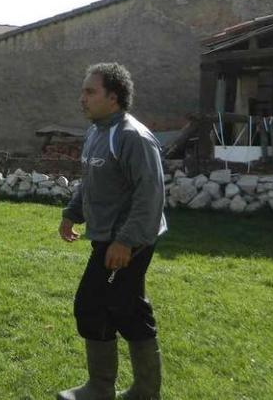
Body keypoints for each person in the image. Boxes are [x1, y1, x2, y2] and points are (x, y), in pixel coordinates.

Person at [57, 63, 167, 400]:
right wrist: (72, 214)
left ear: (114, 98)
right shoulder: (96, 132)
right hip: (107, 238)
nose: (83, 98)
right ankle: (140, 392)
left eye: (90, 92)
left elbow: (150, 196)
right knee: (127, 307)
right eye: (83, 91)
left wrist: (125, 241)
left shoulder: (132, 137)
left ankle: (102, 388)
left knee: (93, 305)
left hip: (128, 240)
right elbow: (91, 183)